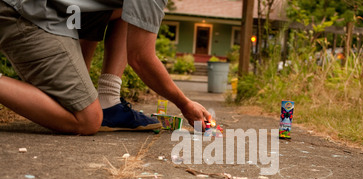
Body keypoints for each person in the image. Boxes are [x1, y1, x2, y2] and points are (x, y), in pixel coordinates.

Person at [0, 0, 211, 135]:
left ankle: (109, 102)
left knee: (126, 10)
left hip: (51, 10)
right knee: (88, 120)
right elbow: (140, 58)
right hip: (22, 13)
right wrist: (184, 104)